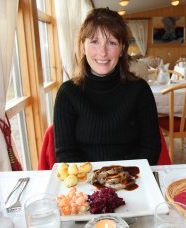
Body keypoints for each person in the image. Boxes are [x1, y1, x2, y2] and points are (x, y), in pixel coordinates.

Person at [53, 8, 161, 165]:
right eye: (94, 42)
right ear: (83, 46)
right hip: (86, 181)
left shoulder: (140, 90)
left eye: (111, 43)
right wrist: (96, 182)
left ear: (122, 48)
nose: (102, 52)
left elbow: (150, 148)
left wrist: (125, 179)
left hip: (133, 179)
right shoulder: (68, 93)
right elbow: (66, 153)